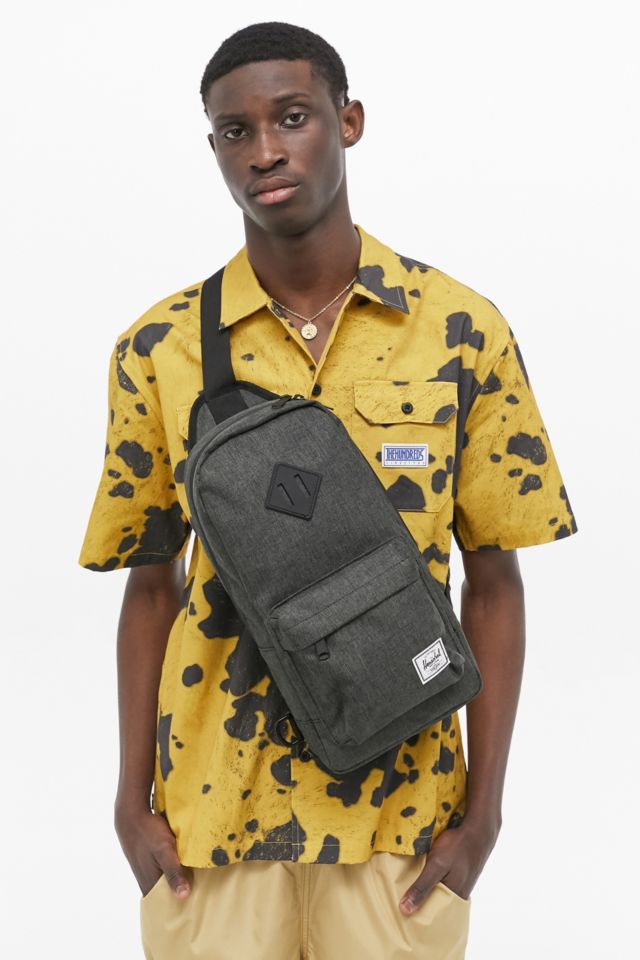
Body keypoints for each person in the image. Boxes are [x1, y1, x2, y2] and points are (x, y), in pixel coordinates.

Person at [78, 20, 578, 960]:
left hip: (403, 823)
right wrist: (128, 802)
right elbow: (150, 587)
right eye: (236, 131)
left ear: (348, 122)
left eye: (293, 117)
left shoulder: (461, 331)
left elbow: (495, 583)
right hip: (212, 823)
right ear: (214, 148)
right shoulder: (160, 348)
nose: (265, 150)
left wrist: (485, 816)